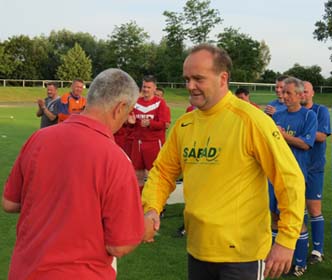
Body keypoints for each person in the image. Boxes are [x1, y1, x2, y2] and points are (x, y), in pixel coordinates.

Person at [142, 44, 305, 280]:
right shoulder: (184, 125)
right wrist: (152, 208)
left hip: (242, 257)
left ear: (223, 78)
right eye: (187, 78)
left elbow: (289, 179)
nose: (190, 86)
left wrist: (287, 240)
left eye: (198, 78)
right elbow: (163, 172)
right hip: (197, 249)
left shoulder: (251, 120)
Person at [2, 68, 145, 280]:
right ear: (120, 108)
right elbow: (119, 245)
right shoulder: (116, 158)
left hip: (25, 271)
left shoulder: (38, 139)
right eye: (128, 112)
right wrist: (147, 226)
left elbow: (10, 203)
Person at [270, 77, 317, 277]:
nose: (284, 96)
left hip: (295, 175)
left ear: (299, 95)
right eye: (283, 92)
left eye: (289, 93)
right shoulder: (277, 115)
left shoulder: (308, 116)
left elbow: (306, 144)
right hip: (275, 174)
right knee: (274, 216)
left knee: (295, 219)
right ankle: (274, 261)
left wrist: (283, 136)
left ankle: (299, 262)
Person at [301, 81, 330, 265]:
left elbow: (321, 136)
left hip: (314, 167)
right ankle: (301, 247)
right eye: (300, 91)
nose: (302, 94)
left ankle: (318, 250)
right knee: (298, 209)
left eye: (305, 91)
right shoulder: (296, 113)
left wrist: (302, 136)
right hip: (297, 167)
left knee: (314, 209)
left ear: (312, 93)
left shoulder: (321, 111)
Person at [129, 75, 170, 192]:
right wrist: (131, 123)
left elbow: (165, 123)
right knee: (137, 174)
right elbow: (131, 123)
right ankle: (139, 203)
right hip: (138, 142)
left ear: (154, 88)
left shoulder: (160, 103)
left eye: (148, 87)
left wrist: (150, 123)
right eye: (144, 86)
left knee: (155, 175)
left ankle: (157, 205)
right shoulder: (136, 102)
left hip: (153, 143)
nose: (145, 89)